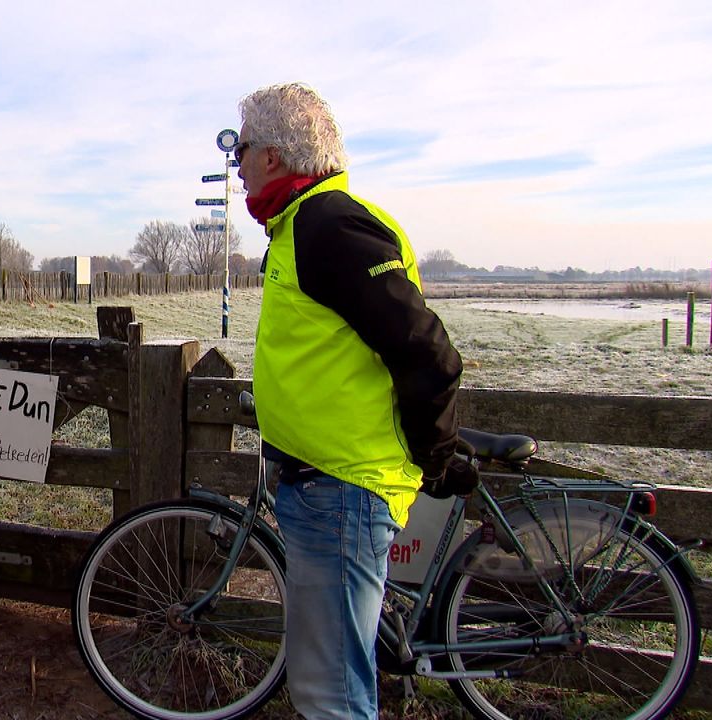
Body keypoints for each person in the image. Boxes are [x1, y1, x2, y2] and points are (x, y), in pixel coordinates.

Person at [236, 83, 476, 719]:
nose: (236, 163)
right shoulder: (302, 224)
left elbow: (428, 352)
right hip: (324, 484)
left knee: (331, 692)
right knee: (331, 675)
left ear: (275, 156)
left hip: (340, 489)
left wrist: (437, 450)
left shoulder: (328, 225)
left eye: (243, 147)